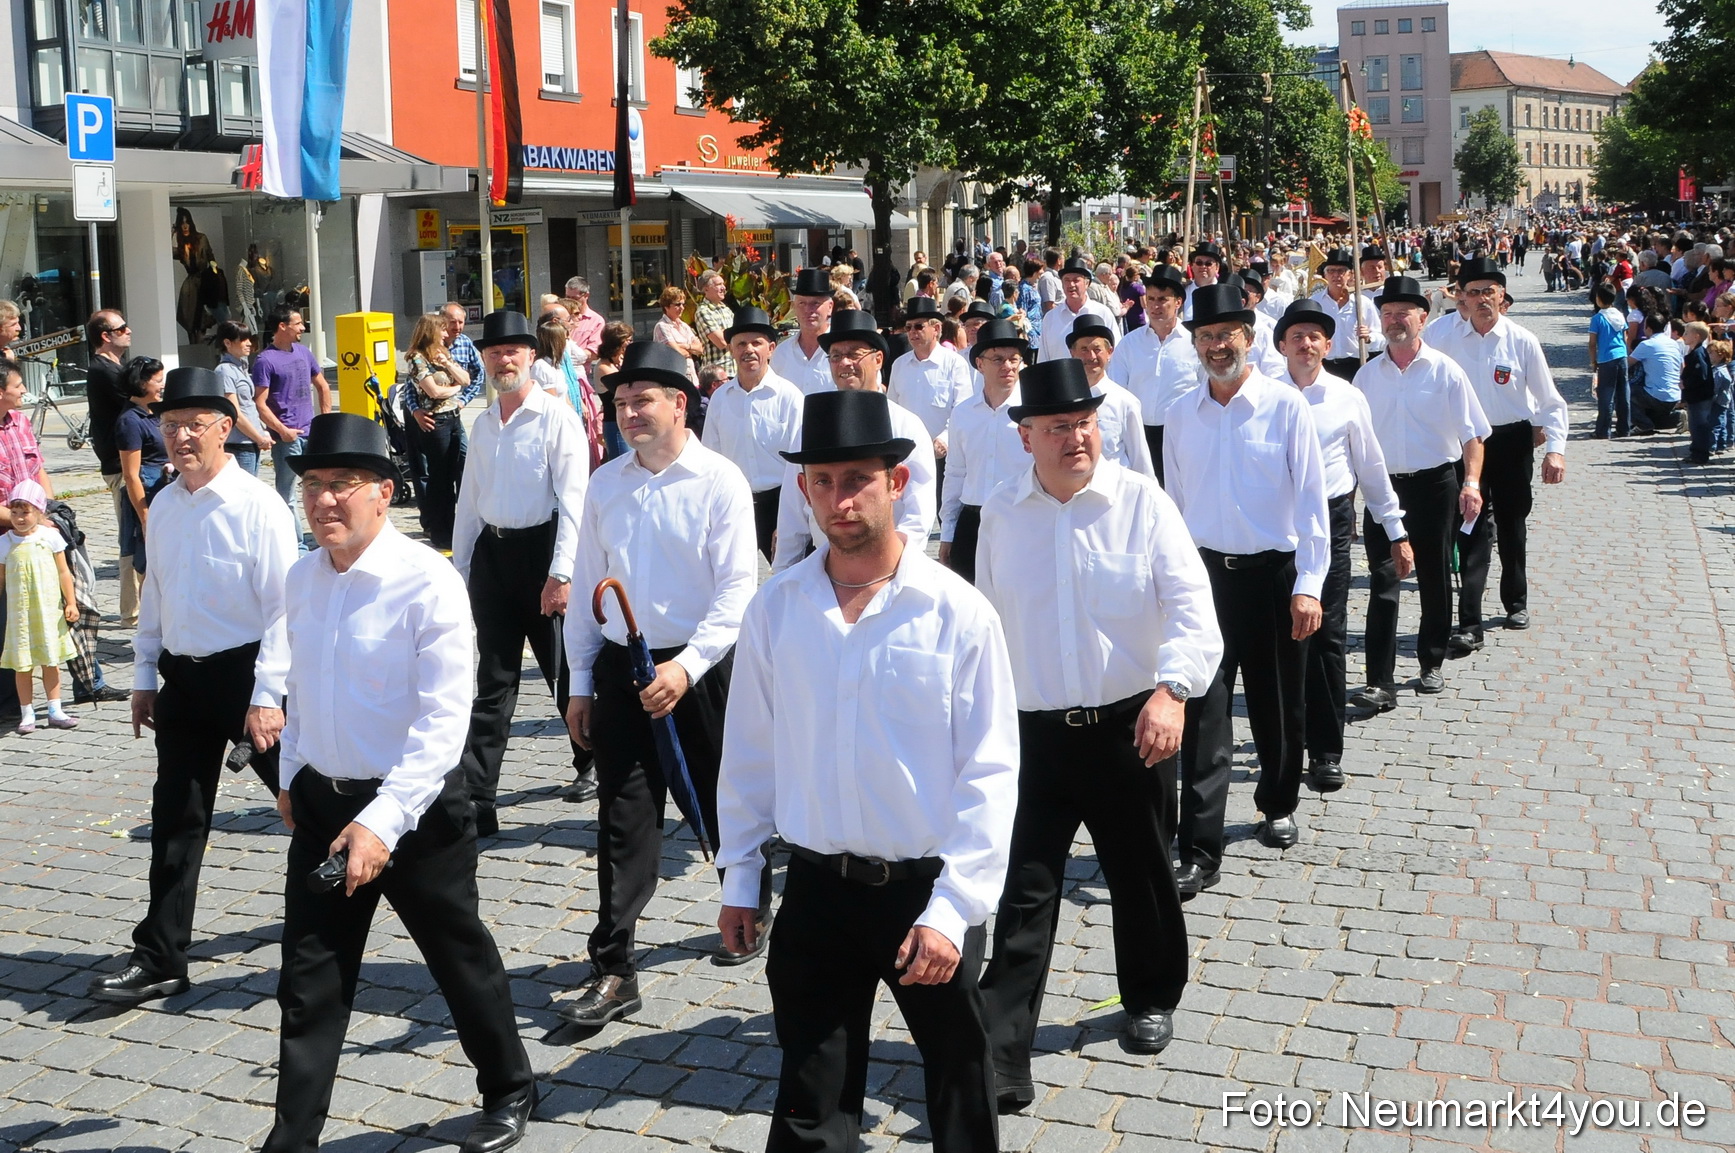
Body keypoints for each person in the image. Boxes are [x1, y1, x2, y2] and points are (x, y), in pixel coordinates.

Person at [715, 387, 1019, 1153]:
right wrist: (740, 877)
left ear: (899, 482)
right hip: (816, 889)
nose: (839, 499)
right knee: (810, 1101)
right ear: (802, 488)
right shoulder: (776, 608)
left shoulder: (956, 612)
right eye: (823, 480)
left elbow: (991, 768)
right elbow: (750, 751)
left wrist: (953, 909)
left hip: (925, 891)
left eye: (857, 479)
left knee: (957, 1083)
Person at [262, 413, 536, 1153]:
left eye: (341, 485)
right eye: (312, 484)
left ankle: (508, 1084)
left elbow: (445, 722)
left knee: (458, 958)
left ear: (383, 492)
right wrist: (291, 772)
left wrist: (383, 822)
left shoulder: (429, 582)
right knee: (309, 980)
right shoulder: (301, 575)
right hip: (323, 800)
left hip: (416, 811)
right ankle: (291, 1140)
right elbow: (301, 686)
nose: (323, 500)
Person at [975, 360, 1219, 1103]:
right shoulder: (999, 512)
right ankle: (1001, 1050)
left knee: (1141, 874)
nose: (1076, 438)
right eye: (1058, 427)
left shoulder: (1142, 504)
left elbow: (1190, 608)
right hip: (1032, 736)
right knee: (1022, 891)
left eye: (1084, 423)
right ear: (1025, 438)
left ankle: (1149, 996)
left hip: (1129, 728)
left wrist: (1172, 690)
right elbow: (983, 628)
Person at [561, 341, 768, 1027]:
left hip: (699, 668)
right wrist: (581, 682)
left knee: (721, 799)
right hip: (625, 668)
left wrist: (686, 666)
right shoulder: (605, 483)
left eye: (641, 399)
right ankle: (614, 964)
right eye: (620, 402)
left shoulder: (719, 482)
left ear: (680, 403)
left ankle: (748, 899)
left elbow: (738, 589)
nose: (628, 413)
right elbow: (590, 585)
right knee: (622, 816)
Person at [86, 368, 296, 1004]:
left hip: (248, 677)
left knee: (307, 806)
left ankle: (357, 896)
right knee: (176, 818)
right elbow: (156, 596)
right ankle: (162, 957)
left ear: (225, 430)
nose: (180, 437)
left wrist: (267, 697)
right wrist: (144, 676)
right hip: (183, 678)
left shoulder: (259, 506)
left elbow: (286, 610)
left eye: (194, 425)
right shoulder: (165, 504)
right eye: (170, 425)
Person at [1163, 284, 1329, 887]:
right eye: (1204, 337)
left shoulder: (1286, 408)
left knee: (1276, 701)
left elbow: (1314, 507)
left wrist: (1309, 585)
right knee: (1203, 708)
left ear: (1249, 339)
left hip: (1273, 576)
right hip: (1205, 577)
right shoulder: (1181, 415)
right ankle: (1200, 847)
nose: (1214, 346)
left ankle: (1278, 802)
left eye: (1224, 335)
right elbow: (1173, 511)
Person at [452, 311, 595, 834]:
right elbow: (469, 501)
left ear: (532, 356)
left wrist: (561, 573)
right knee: (493, 680)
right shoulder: (485, 423)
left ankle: (589, 759)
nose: (503, 358)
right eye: (493, 352)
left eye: (513, 350)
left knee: (561, 672)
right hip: (493, 556)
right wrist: (461, 569)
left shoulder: (557, 418)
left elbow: (576, 501)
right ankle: (478, 796)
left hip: (541, 555)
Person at [1273, 299, 1410, 792]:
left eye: (1314, 336)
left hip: (1330, 521)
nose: (1305, 344)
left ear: (1328, 346)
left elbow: (1372, 469)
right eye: (1296, 336)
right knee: (1282, 640)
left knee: (1327, 636)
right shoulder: (1264, 397)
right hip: (1276, 526)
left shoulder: (1347, 397)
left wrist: (1395, 529)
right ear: (1282, 346)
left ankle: (1326, 751)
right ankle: (1285, 746)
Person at [1349, 277, 1490, 710]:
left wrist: (1471, 482)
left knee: (1432, 575)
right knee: (1383, 578)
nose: (1394, 321)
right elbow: (1351, 442)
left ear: (1422, 319)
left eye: (1403, 313)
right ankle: (1379, 680)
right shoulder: (1366, 375)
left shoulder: (1446, 371)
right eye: (1387, 313)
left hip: (1434, 484)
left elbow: (1474, 434)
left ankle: (1430, 661)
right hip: (1383, 489)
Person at [1429, 257, 1567, 646]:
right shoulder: (1443, 336)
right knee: (1470, 529)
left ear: (1502, 295)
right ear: (1462, 299)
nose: (1481, 299)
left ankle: (1515, 600)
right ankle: (1469, 623)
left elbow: (1551, 401)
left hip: (1511, 441)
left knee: (1511, 524)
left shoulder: (1521, 340)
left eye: (1489, 291)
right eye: (1473, 292)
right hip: (1464, 443)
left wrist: (1555, 449)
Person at [772, 311, 938, 572]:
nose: (844, 363)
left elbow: (920, 514)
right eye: (836, 356)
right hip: (825, 565)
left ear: (878, 359)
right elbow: (793, 510)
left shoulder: (907, 425)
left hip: (888, 566)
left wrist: (896, 568)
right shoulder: (812, 426)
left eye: (854, 354)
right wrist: (783, 572)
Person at [700, 306, 803, 563]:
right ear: (732, 350)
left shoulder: (789, 397)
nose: (749, 350)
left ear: (771, 348)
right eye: (741, 343)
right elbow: (711, 458)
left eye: (756, 343)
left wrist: (793, 518)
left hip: (781, 504)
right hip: (735, 503)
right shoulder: (720, 399)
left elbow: (802, 463)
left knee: (787, 579)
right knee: (734, 581)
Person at [940, 319, 1028, 584]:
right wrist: (947, 532)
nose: (1008, 366)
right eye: (998, 359)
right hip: (973, 520)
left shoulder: (1032, 412)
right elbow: (955, 473)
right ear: (980, 364)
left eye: (1014, 359)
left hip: (1019, 517)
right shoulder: (963, 414)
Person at [1107, 266, 1201, 482]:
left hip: (1181, 434)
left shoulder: (1194, 344)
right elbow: (1117, 392)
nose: (1156, 306)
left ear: (1178, 302)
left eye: (1162, 299)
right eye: (1151, 299)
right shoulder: (1129, 344)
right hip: (1138, 435)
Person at [0, 479, 78, 734]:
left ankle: (55, 708)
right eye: (15, 512)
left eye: (26, 512)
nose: (20, 518)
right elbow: (0, 578)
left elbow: (64, 572)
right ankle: (27, 711)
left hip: (48, 612)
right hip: (20, 614)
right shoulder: (6, 543)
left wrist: (71, 602)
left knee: (50, 660)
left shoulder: (49, 537)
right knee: (23, 664)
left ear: (39, 512)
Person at [252, 304, 333, 525]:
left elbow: (323, 386)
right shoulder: (265, 360)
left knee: (321, 489)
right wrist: (282, 431)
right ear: (282, 326)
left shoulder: (304, 353)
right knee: (286, 495)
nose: (303, 328)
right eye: (298, 323)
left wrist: (324, 422)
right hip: (286, 439)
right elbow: (260, 404)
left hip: (311, 434)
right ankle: (295, 544)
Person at [85, 310, 139, 626]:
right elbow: (138, 399)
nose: (128, 331)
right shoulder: (103, 371)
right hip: (119, 463)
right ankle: (131, 613)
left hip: (130, 458)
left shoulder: (115, 366)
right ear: (106, 336)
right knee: (131, 534)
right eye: (122, 328)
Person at [887, 296, 972, 493]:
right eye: (908, 327)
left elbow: (962, 408)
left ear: (937, 329)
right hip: (907, 454)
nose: (912, 332)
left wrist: (945, 439)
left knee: (945, 511)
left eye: (918, 326)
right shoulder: (899, 365)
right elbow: (892, 408)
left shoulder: (954, 363)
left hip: (943, 455)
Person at [402, 312, 471, 552]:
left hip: (453, 419)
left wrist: (449, 365)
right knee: (439, 478)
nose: (446, 333)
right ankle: (439, 531)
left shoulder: (443, 355)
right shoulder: (416, 358)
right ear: (431, 331)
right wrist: (455, 388)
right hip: (436, 421)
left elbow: (467, 379)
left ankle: (452, 528)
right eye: (442, 329)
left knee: (454, 473)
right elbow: (433, 391)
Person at [1064, 318, 1155, 477]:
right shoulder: (1062, 401)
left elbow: (1140, 460)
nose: (1091, 356)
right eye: (1084, 349)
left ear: (1110, 352)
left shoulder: (1125, 402)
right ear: (1073, 353)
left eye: (1097, 349)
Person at [116, 358, 169, 578]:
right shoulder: (130, 421)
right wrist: (146, 517)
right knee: (150, 571)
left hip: (167, 491)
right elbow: (131, 475)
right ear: (142, 383)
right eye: (158, 381)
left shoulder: (155, 413)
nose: (163, 385)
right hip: (150, 497)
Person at [1311, 248, 1385, 379]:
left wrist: (1368, 338)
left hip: (1357, 365)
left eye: (1341, 271)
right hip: (1325, 366)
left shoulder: (1362, 303)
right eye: (1331, 271)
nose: (1336, 275)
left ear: (1350, 274)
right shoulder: (1315, 303)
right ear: (1325, 275)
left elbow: (1381, 338)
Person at [211, 321, 273, 476]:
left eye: (249, 339)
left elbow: (249, 405)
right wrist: (259, 438)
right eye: (243, 340)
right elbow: (234, 412)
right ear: (227, 343)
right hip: (238, 443)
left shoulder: (240, 367)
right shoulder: (224, 370)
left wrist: (262, 431)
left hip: (250, 440)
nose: (248, 344)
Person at [1037, 258, 1119, 362]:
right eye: (1067, 280)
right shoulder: (1051, 318)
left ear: (1086, 283)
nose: (1071, 285)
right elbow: (1043, 357)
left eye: (1076, 280)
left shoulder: (1102, 313)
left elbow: (1116, 353)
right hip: (1060, 377)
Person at [772, 269, 837, 395]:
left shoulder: (843, 352)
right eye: (802, 303)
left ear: (830, 307)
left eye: (815, 303)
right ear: (794, 307)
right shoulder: (781, 353)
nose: (808, 309)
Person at [1588, 283, 1631, 439]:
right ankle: (1624, 428)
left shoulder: (1598, 318)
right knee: (1623, 392)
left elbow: (1592, 343)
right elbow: (1625, 337)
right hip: (1622, 357)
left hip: (1607, 358)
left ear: (1599, 299)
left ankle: (1603, 430)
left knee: (1606, 394)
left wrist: (1593, 361)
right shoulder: (1619, 315)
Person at [594, 320, 634, 459]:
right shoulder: (603, 367)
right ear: (616, 342)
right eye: (627, 340)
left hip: (626, 422)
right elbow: (626, 387)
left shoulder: (618, 363)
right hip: (614, 426)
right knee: (622, 465)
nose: (629, 344)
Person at [653, 287, 704, 386]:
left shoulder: (684, 326)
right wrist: (690, 349)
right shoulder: (662, 326)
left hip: (692, 377)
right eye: (677, 304)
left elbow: (700, 349)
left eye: (683, 304)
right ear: (666, 307)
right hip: (675, 379)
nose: (682, 308)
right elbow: (676, 353)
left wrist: (685, 346)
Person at [1681, 321, 1716, 465]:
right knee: (1694, 425)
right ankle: (1696, 451)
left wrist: (1686, 384)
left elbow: (1701, 374)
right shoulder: (1694, 352)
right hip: (1695, 396)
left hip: (1700, 396)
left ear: (1696, 336)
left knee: (1699, 425)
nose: (1684, 336)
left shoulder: (1698, 353)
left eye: (1686, 333)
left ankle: (1700, 454)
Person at [693, 270, 736, 379]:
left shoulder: (726, 309)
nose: (723, 288)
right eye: (718, 284)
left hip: (735, 370)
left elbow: (736, 335)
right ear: (706, 289)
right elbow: (721, 342)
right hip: (717, 375)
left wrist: (726, 333)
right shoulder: (703, 311)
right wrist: (734, 336)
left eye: (723, 284)